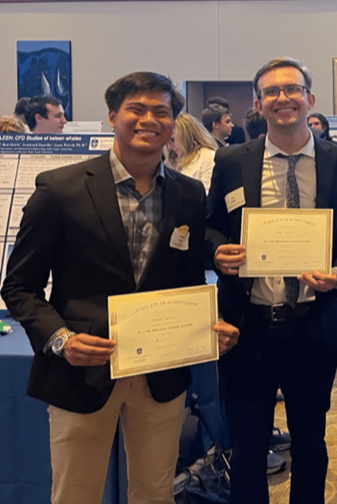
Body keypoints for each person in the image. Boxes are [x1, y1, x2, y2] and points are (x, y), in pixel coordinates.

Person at [0, 72, 239, 504]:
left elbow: (185, 283)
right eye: (137, 109)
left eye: (161, 112)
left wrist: (208, 326)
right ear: (113, 115)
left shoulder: (188, 195)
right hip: (82, 371)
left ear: (173, 123)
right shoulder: (60, 190)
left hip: (161, 375)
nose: (149, 119)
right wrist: (60, 340)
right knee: (76, 494)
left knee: (154, 493)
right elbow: (18, 287)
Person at [207, 57, 337, 504]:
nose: (282, 99)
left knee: (311, 443)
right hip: (247, 326)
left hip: (313, 325)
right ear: (259, 105)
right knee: (248, 446)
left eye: (292, 89)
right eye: (271, 92)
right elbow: (210, 226)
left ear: (310, 98)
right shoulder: (232, 160)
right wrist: (217, 251)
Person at [172, 113, 220, 192]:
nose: (170, 147)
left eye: (173, 140)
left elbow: (207, 196)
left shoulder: (209, 156)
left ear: (186, 137)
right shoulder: (178, 159)